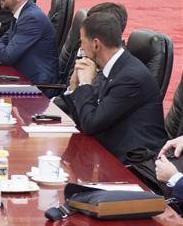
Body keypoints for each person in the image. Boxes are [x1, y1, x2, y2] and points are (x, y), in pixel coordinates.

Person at [62, 12, 167, 161]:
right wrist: (75, 85)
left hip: (134, 163)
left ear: (96, 44)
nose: (81, 48)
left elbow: (91, 125)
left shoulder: (130, 78)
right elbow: (82, 120)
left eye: (82, 42)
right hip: (106, 152)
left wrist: (85, 84)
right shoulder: (112, 67)